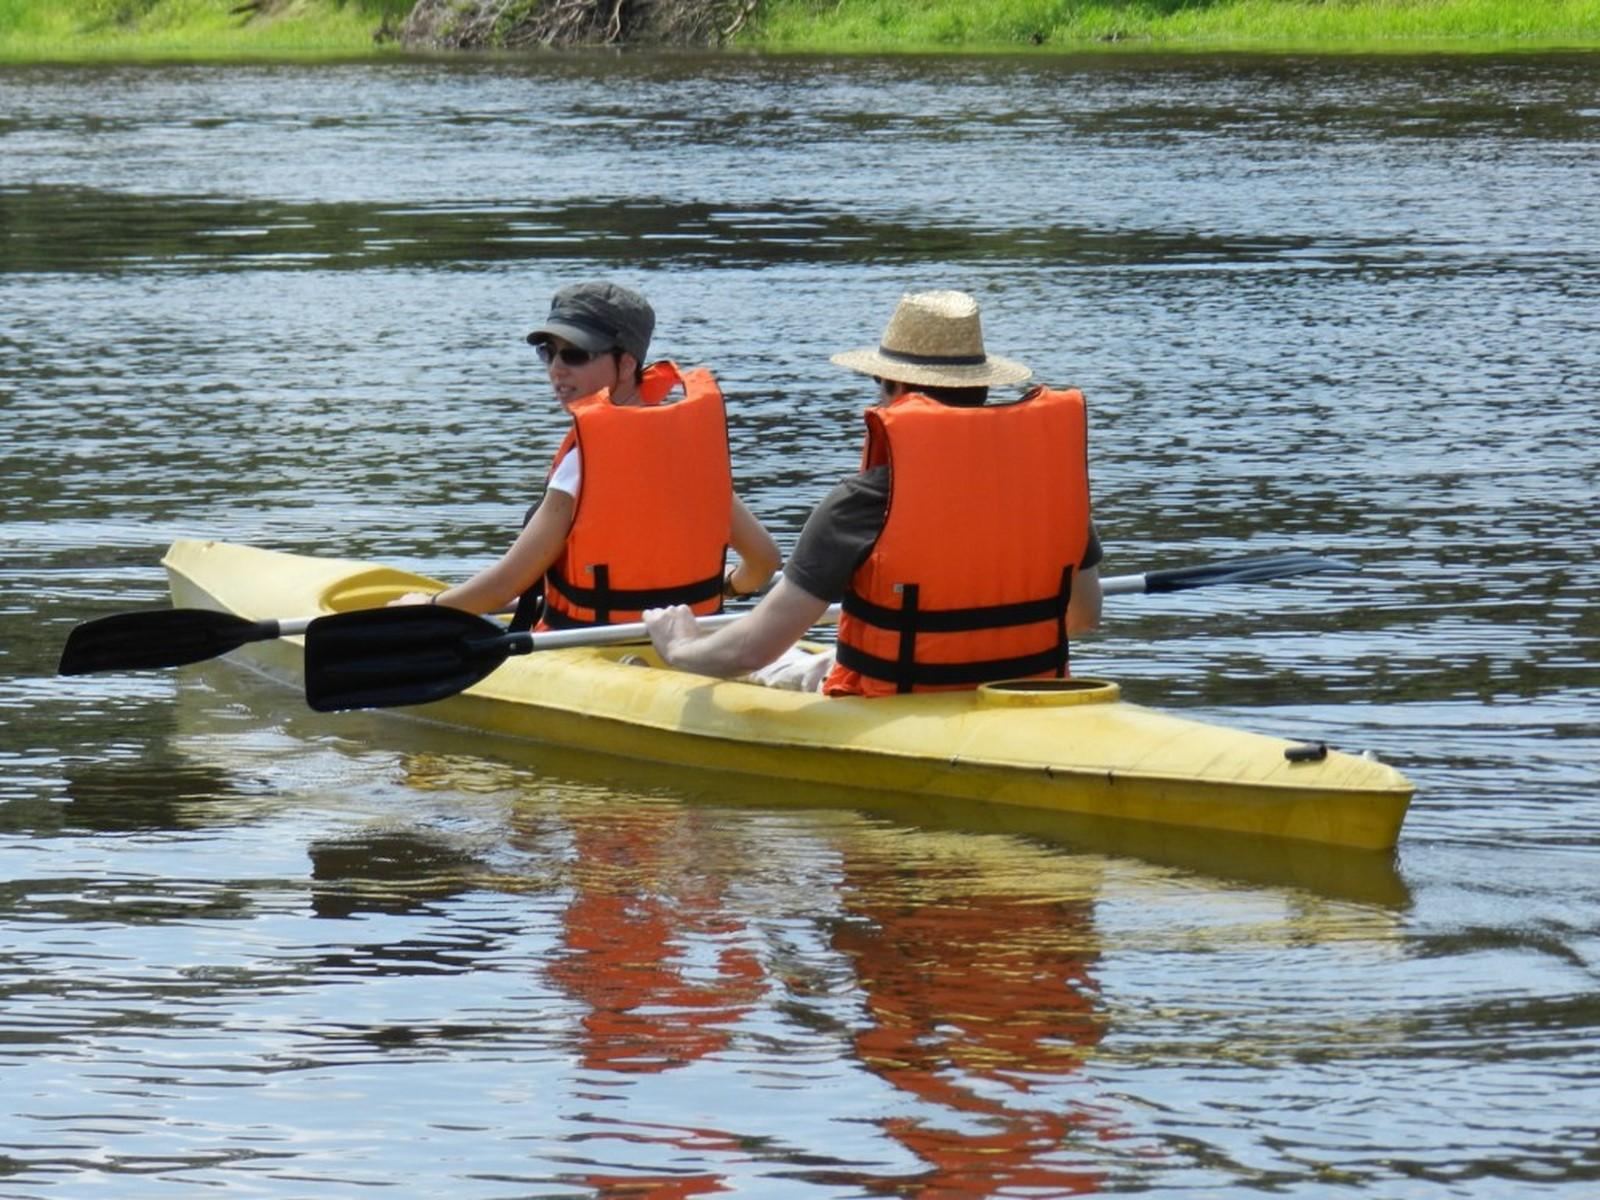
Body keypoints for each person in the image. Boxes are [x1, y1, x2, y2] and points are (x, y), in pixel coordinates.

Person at [644, 289, 1102, 695]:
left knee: (766, 665)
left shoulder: (861, 502)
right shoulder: (1049, 490)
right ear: (979, 389)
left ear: (897, 388)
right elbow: (1083, 617)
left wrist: (680, 647)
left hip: (892, 696)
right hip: (1021, 690)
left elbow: (750, 651)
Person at [393, 282, 780, 625]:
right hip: (691, 642)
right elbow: (763, 561)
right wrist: (726, 586)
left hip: (592, 647)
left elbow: (508, 582)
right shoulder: (689, 454)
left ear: (626, 363)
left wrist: (428, 605)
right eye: (549, 353)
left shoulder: (583, 463)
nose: (556, 369)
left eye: (575, 354)